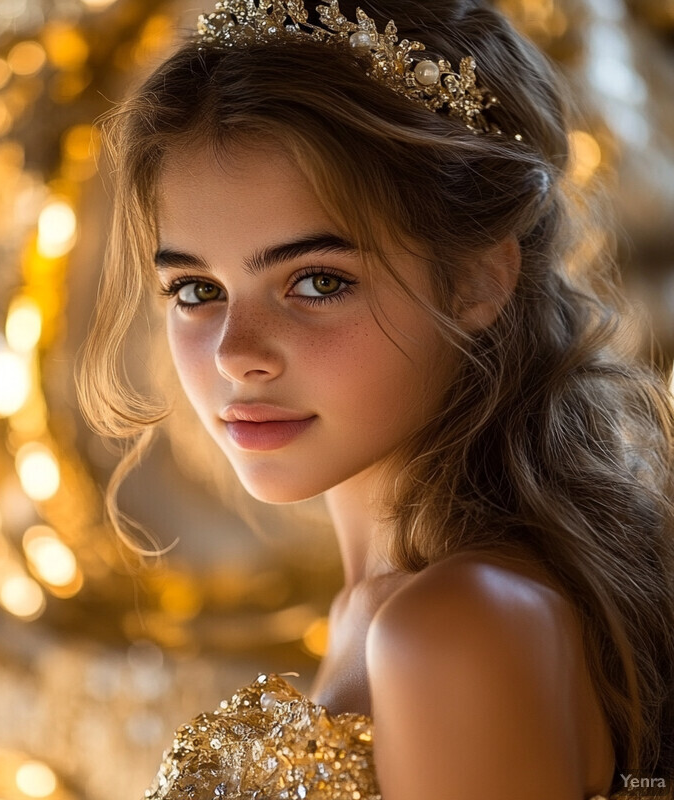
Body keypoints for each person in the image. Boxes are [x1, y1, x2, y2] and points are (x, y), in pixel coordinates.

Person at [76, 0, 674, 797]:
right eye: (195, 288)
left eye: (317, 282)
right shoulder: (399, 605)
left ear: (476, 280)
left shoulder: (459, 626)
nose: (236, 353)